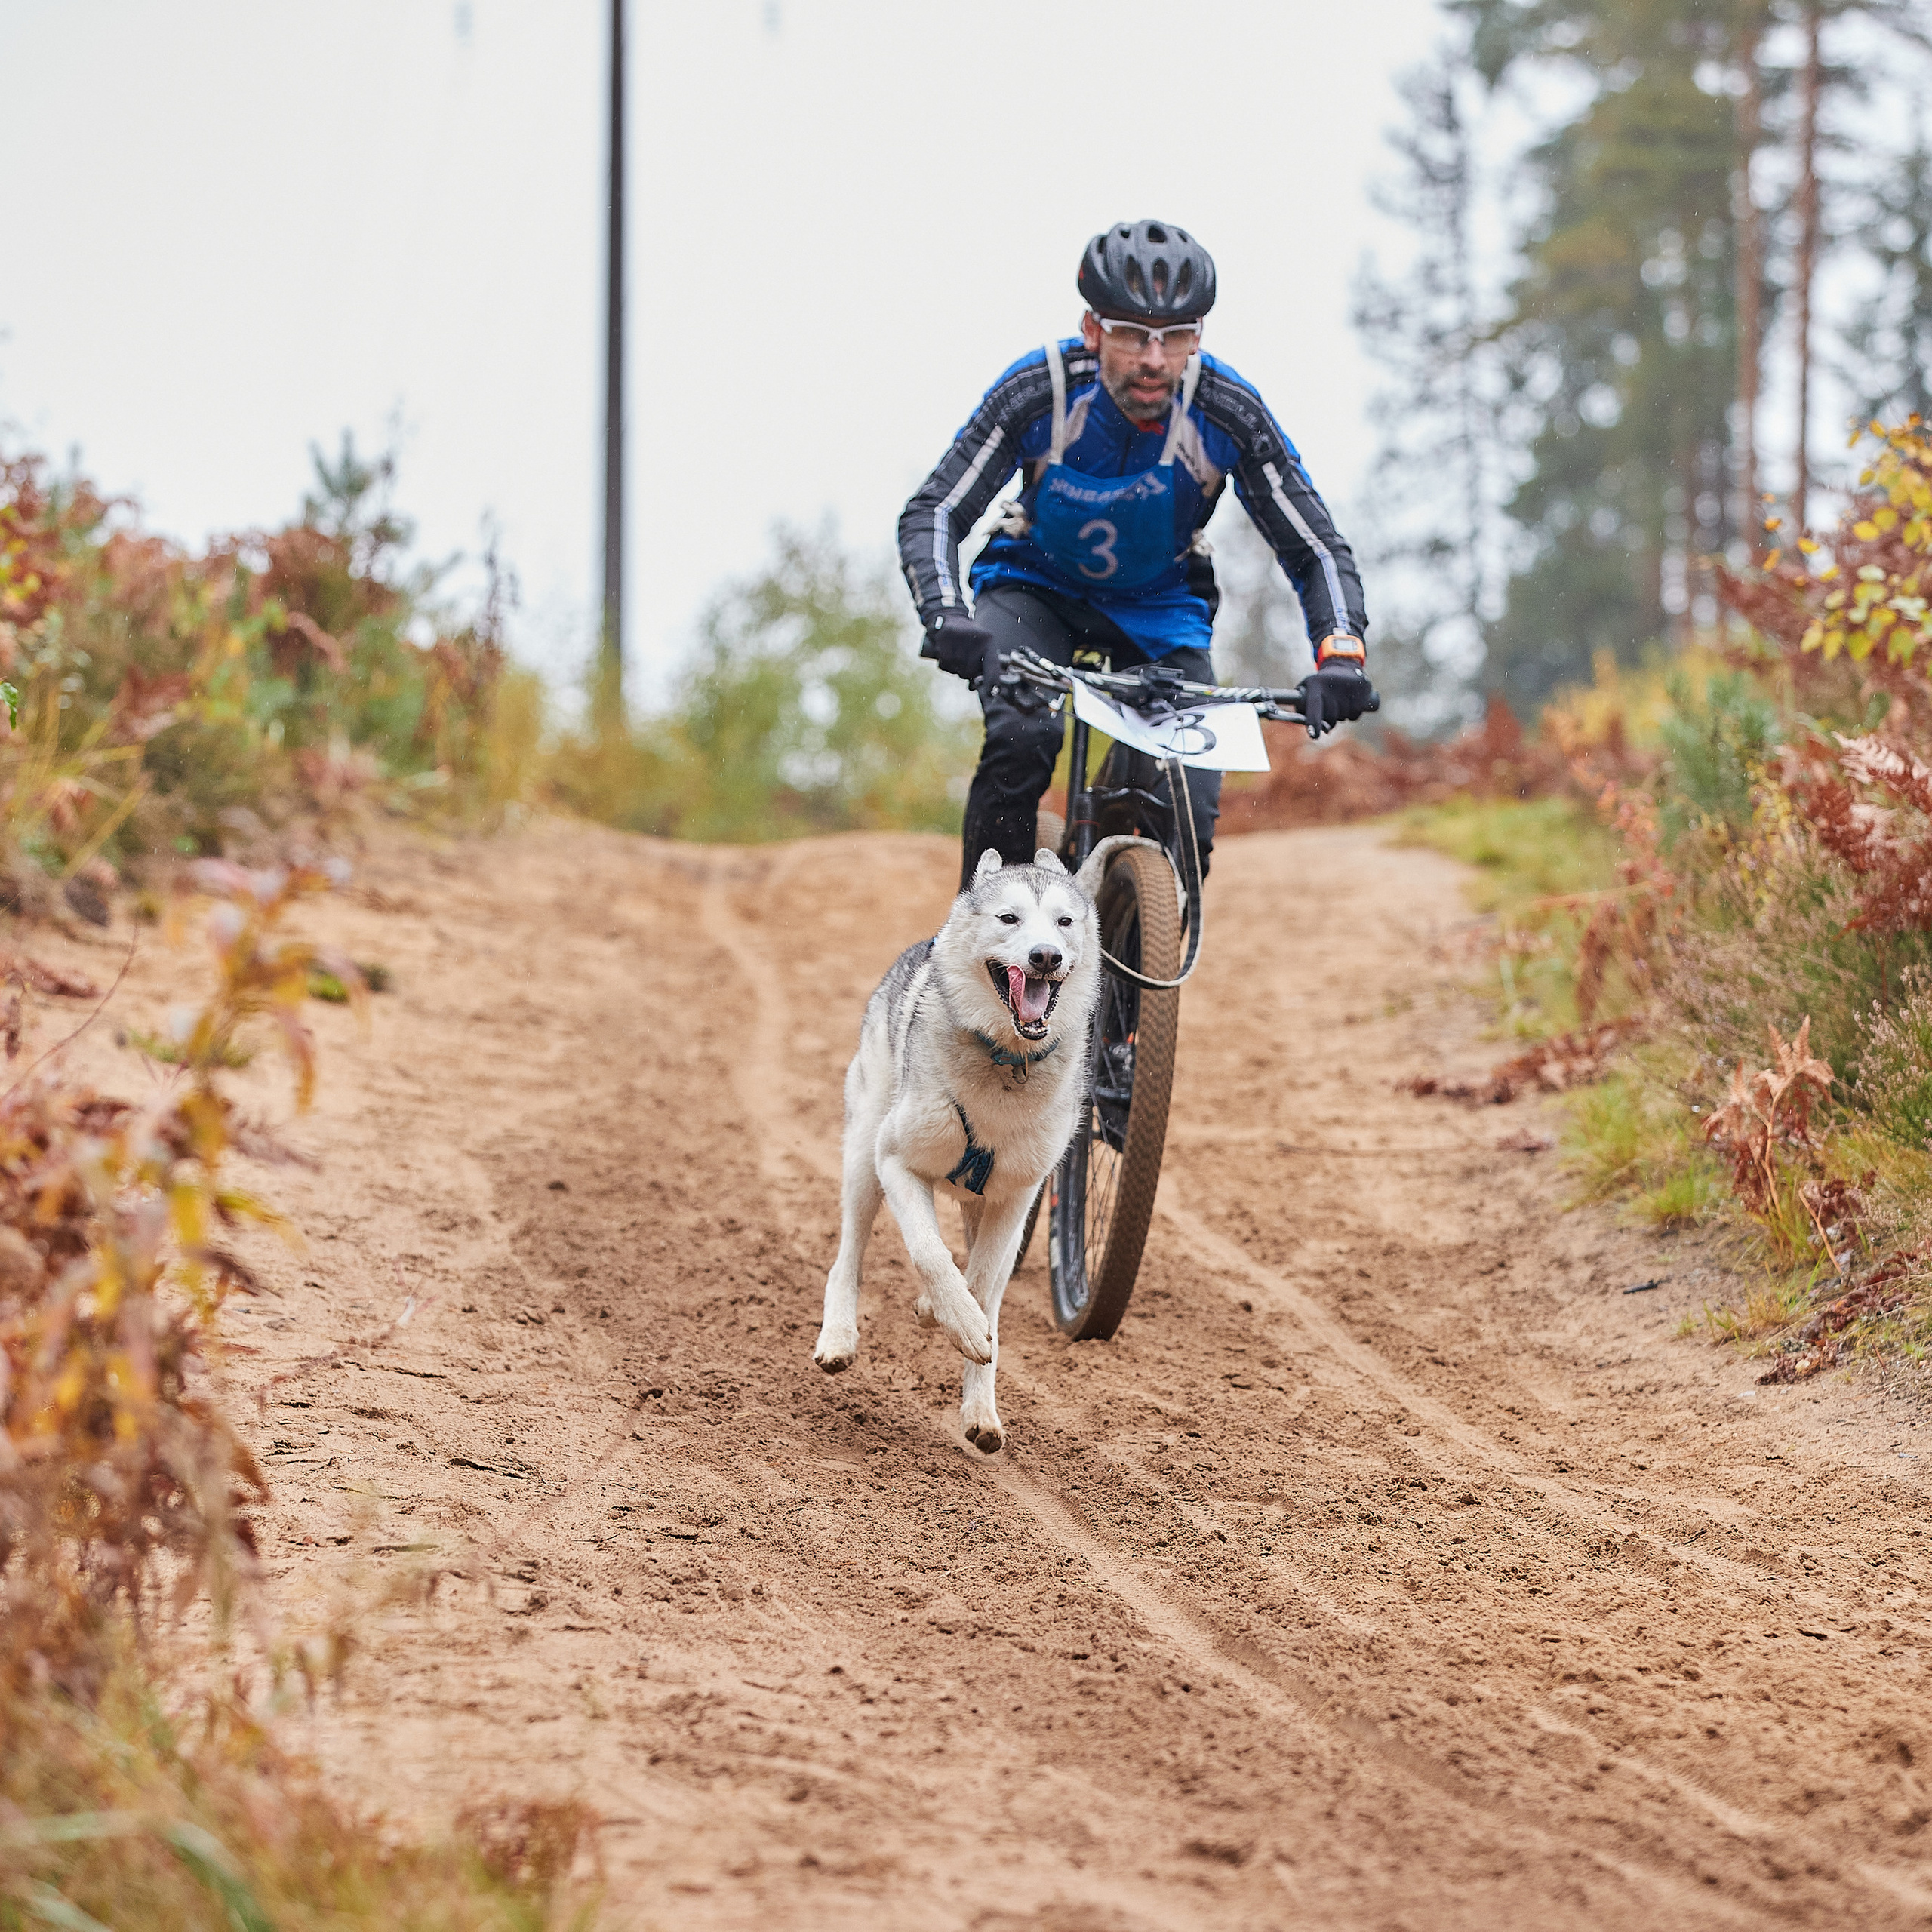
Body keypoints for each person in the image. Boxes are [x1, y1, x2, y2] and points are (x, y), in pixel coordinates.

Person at [898, 220, 1373, 889]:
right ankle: (986, 938)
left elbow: (1312, 543)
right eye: (1131, 334)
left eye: (1175, 337)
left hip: (1159, 609)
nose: (1154, 359)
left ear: (1197, 339)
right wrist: (945, 615)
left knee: (1189, 800)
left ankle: (1138, 958)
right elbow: (937, 510)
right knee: (1023, 738)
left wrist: (1342, 653)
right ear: (1093, 331)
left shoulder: (1226, 408)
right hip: (1035, 591)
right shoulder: (1043, 390)